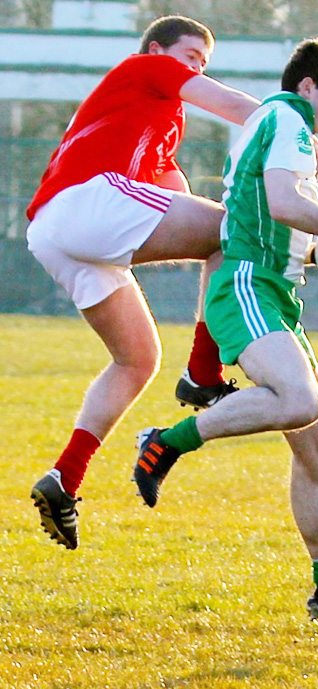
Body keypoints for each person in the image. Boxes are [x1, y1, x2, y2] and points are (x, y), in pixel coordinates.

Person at [134, 37, 318, 644]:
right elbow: (281, 203)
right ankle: (165, 441)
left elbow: (282, 213)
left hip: (277, 291)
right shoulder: (288, 117)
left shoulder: (285, 127)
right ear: (309, 86)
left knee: (317, 452)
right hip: (248, 282)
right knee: (299, 402)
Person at [28, 15, 261, 551]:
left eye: (204, 61)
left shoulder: (159, 122)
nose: (196, 66)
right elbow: (233, 106)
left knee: (137, 359)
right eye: (190, 55)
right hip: (85, 202)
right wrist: (288, 129)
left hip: (52, 231)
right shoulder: (147, 68)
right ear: (158, 49)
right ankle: (203, 371)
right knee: (234, 230)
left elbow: (174, 187)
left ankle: (64, 479)